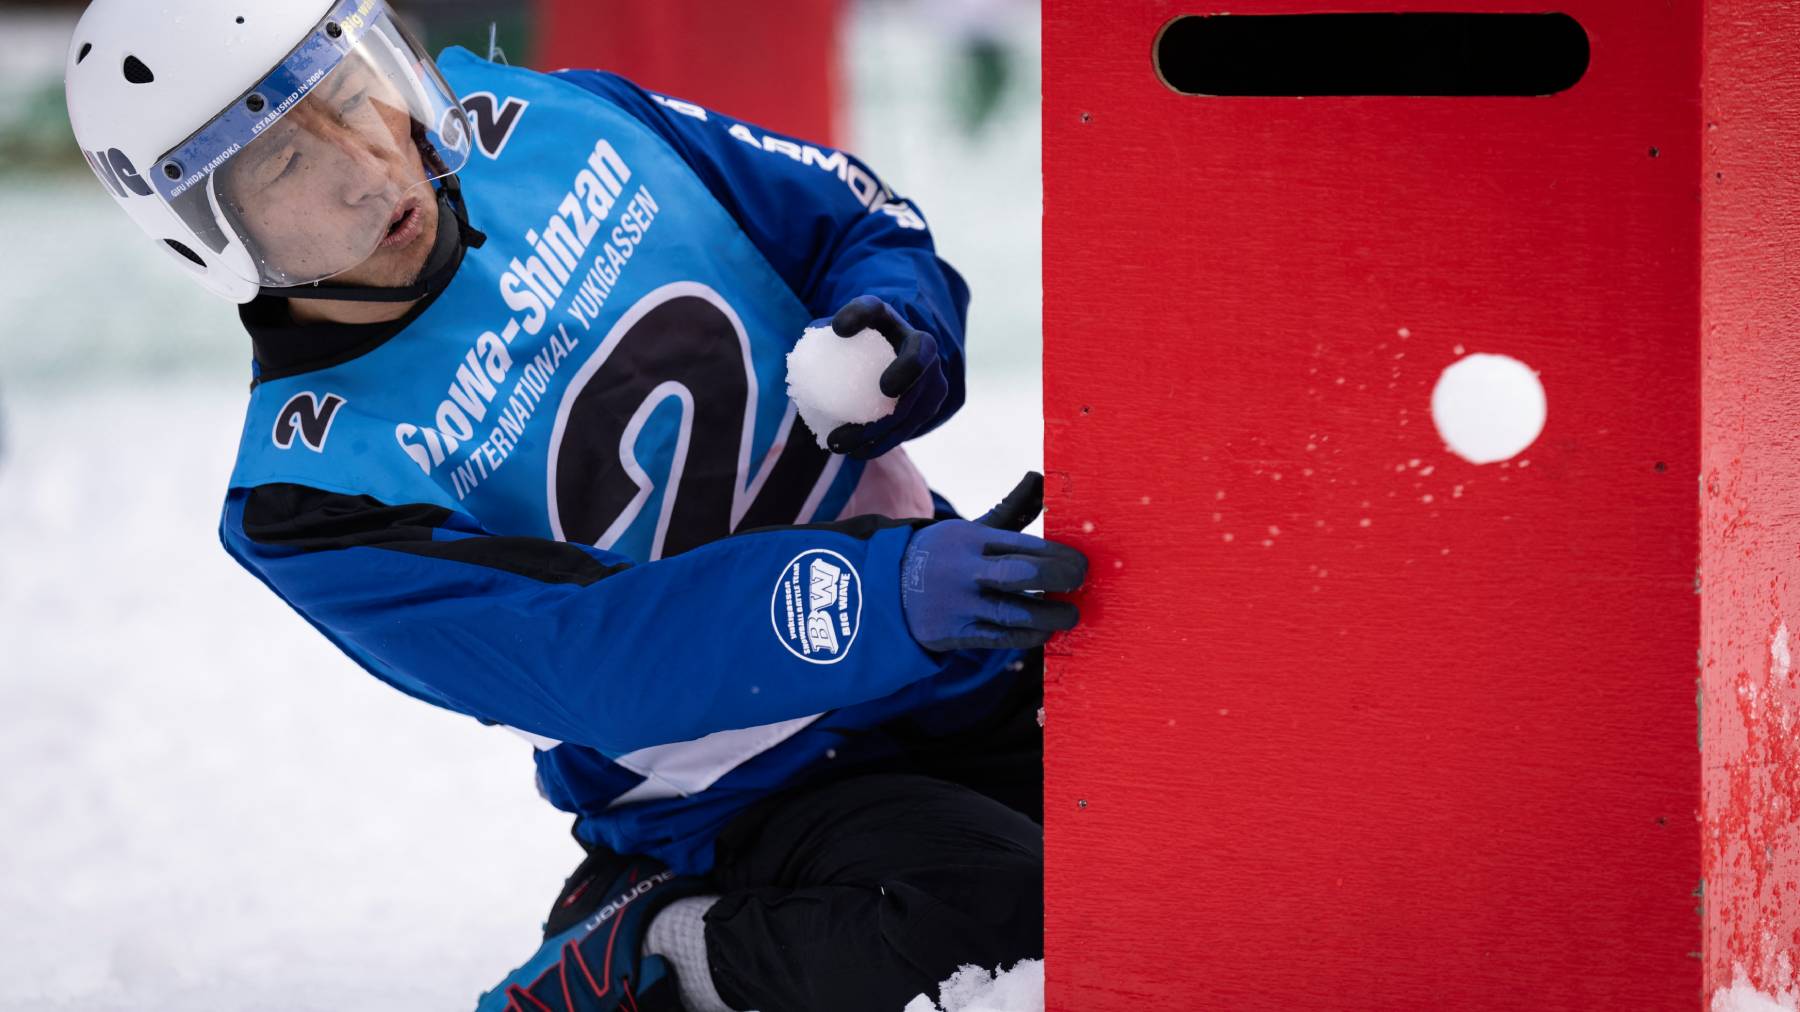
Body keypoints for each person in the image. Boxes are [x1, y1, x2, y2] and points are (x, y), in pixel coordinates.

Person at [63, 2, 1087, 1009]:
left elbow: (852, 219)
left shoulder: (554, 120)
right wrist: (882, 596)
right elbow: (592, 658)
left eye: (354, 94)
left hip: (957, 647)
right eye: (285, 163)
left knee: (1204, 782)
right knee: (1005, 921)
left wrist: (900, 334)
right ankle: (657, 949)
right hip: (756, 787)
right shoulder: (309, 496)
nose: (369, 166)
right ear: (208, 235)